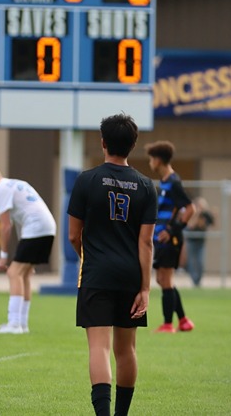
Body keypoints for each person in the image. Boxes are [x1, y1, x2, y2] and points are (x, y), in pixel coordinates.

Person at [67, 113, 158, 416]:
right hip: (131, 275)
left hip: (96, 273)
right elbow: (146, 243)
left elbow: (73, 235)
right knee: (126, 349)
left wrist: (88, 255)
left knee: (99, 347)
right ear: (133, 144)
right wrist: (145, 288)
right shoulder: (146, 186)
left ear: (103, 142)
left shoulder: (86, 180)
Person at [0, 163, 56, 334]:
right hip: (47, 228)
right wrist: (23, 254)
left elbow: (5, 226)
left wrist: (3, 256)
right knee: (24, 274)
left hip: (36, 228)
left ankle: (14, 324)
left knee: (13, 273)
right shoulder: (16, 183)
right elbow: (19, 222)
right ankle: (22, 324)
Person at [144, 140, 195, 333]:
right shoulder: (165, 183)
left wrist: (172, 230)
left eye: (151, 159)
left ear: (158, 160)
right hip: (162, 239)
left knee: (165, 280)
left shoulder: (174, 182)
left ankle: (167, 324)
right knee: (163, 280)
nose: (150, 162)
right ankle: (183, 320)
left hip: (170, 239)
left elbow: (190, 209)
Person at [184, 197, 214, 288]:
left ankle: (198, 280)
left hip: (201, 242)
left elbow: (212, 225)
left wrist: (213, 215)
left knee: (200, 262)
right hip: (191, 241)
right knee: (192, 262)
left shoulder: (206, 215)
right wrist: (197, 213)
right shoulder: (193, 214)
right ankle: (194, 281)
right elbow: (191, 226)